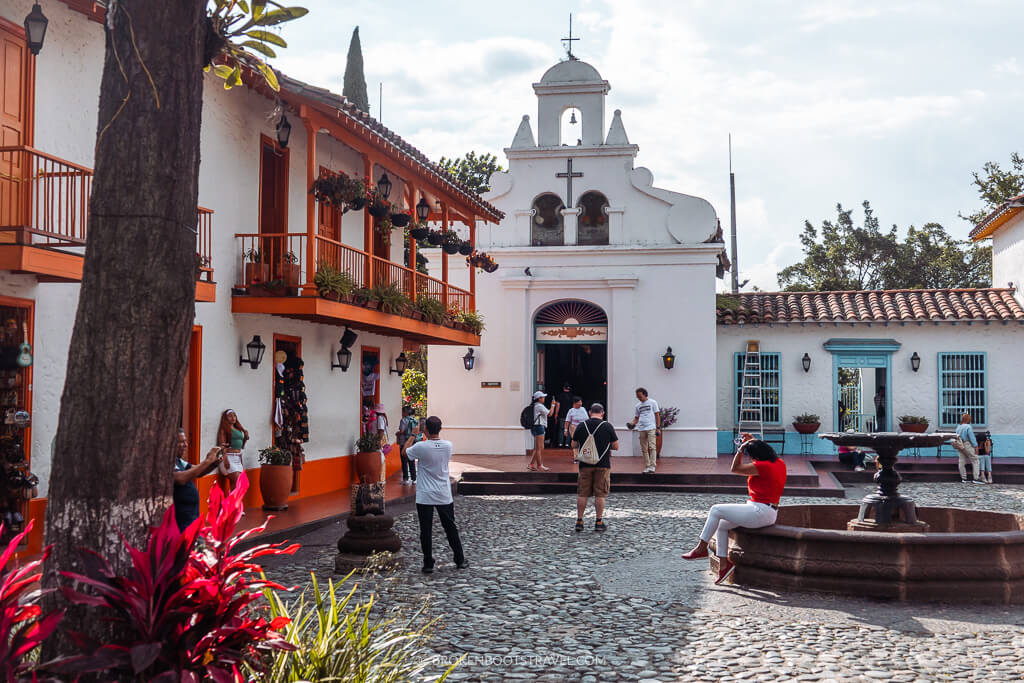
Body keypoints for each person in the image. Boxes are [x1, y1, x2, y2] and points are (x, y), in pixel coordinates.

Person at [682, 434, 787, 585]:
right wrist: (753, 440)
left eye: (751, 455)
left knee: (716, 509)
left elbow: (735, 468)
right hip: (767, 511)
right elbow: (760, 452)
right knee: (722, 524)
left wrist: (740, 450)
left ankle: (701, 548)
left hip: (760, 511)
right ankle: (724, 564)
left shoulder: (762, 467)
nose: (750, 458)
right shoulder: (779, 463)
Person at [405, 416, 466, 574]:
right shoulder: (448, 446)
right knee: (450, 527)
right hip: (443, 493)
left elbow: (404, 453)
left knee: (425, 530)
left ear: (425, 430)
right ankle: (459, 559)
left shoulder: (421, 447)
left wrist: (413, 435)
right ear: (440, 429)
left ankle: (428, 563)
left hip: (425, 494)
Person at [571, 403, 618, 532]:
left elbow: (573, 444)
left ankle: (579, 521)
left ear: (590, 412)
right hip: (602, 464)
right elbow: (615, 446)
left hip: (585, 464)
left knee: (582, 493)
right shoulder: (607, 426)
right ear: (602, 413)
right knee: (600, 494)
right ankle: (599, 521)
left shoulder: (582, 425)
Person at [172, 429, 223, 531]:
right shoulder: (166, 462)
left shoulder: (178, 461)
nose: (185, 445)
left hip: (191, 519)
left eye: (185, 441)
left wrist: (213, 464)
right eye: (181, 442)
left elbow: (197, 472)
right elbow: (181, 478)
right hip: (181, 523)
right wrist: (207, 460)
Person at [627, 387, 661, 473]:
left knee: (652, 447)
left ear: (645, 394)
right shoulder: (637, 406)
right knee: (644, 448)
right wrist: (632, 423)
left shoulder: (653, 402)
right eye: (637, 396)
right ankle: (647, 466)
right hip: (641, 428)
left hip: (651, 427)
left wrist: (658, 427)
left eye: (640, 396)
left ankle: (653, 466)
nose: (638, 398)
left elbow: (657, 415)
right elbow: (636, 418)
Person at [216, 409, 249, 493]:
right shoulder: (224, 429)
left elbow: (241, 446)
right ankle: (233, 504)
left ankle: (233, 505)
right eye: (230, 416)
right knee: (238, 482)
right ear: (225, 418)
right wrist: (225, 458)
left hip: (238, 457)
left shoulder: (238, 429)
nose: (233, 418)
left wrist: (245, 437)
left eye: (234, 415)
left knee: (236, 484)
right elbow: (221, 445)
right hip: (229, 457)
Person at [953, 412, 982, 484]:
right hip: (967, 444)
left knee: (962, 461)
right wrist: (976, 446)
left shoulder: (958, 427)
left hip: (959, 444)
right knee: (975, 460)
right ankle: (976, 478)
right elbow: (971, 437)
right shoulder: (968, 427)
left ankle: (964, 478)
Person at [528, 390, 550, 471]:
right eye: (543, 397)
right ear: (539, 398)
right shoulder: (539, 406)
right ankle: (540, 465)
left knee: (538, 447)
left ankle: (531, 464)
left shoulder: (534, 405)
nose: (544, 398)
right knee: (539, 448)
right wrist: (554, 405)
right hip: (539, 427)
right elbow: (550, 413)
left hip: (535, 427)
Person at [397, 406, 418, 485]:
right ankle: (414, 479)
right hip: (412, 442)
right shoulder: (414, 420)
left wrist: (398, 433)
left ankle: (405, 479)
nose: (402, 414)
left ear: (406, 413)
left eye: (402, 412)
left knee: (404, 461)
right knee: (411, 460)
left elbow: (402, 431)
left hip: (404, 443)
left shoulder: (403, 420)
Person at [564, 396, 588, 461]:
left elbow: (587, 419)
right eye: (579, 402)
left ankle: (583, 456)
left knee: (583, 441)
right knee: (575, 441)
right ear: (575, 403)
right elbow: (567, 421)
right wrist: (565, 430)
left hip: (583, 427)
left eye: (581, 402)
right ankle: (576, 457)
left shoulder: (583, 409)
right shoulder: (571, 411)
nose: (581, 403)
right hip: (574, 427)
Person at [555, 382, 574, 447]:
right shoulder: (572, 396)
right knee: (568, 429)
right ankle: (567, 443)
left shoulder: (560, 396)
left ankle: (560, 443)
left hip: (562, 415)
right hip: (570, 415)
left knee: (561, 429)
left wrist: (556, 414)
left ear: (563, 388)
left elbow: (558, 406)